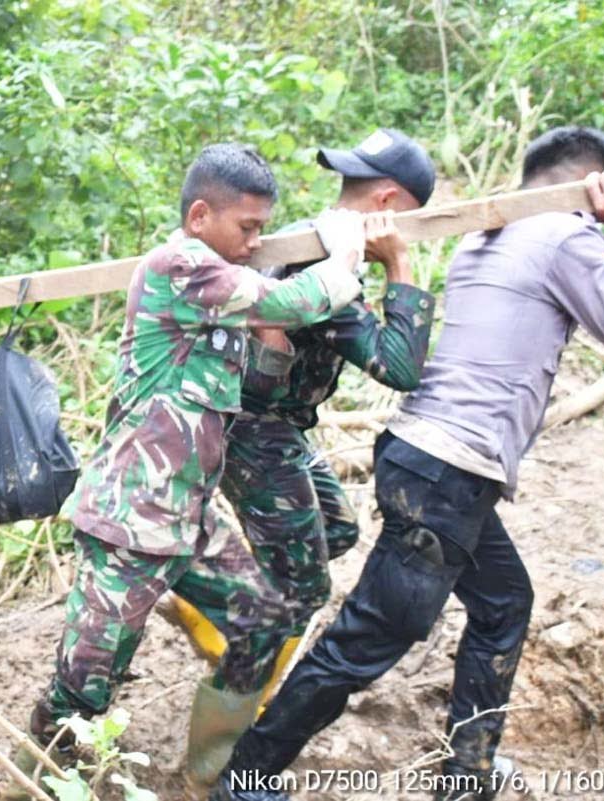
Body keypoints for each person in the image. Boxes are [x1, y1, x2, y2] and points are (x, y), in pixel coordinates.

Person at [209, 128, 604, 801]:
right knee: (369, 637)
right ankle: (245, 779)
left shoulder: (485, 235)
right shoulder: (564, 236)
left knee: (502, 603)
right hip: (447, 473)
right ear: (589, 188)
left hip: (429, 463)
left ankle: (467, 772)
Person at [5, 143, 368, 798]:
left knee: (262, 618)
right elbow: (294, 300)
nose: (255, 241)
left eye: (262, 228)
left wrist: (270, 341)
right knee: (84, 686)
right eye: (248, 228)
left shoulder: (217, 294)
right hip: (128, 521)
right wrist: (346, 253)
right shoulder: (179, 265)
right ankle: (34, 786)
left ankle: (208, 770)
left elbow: (262, 371)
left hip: (189, 520)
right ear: (201, 214)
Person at [183, 130, 437, 787]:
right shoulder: (327, 261)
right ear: (389, 200)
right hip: (253, 429)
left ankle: (227, 619)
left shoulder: (314, 236)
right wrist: (401, 268)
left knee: (339, 532)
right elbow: (400, 365)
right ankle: (216, 755)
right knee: (300, 592)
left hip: (278, 425)